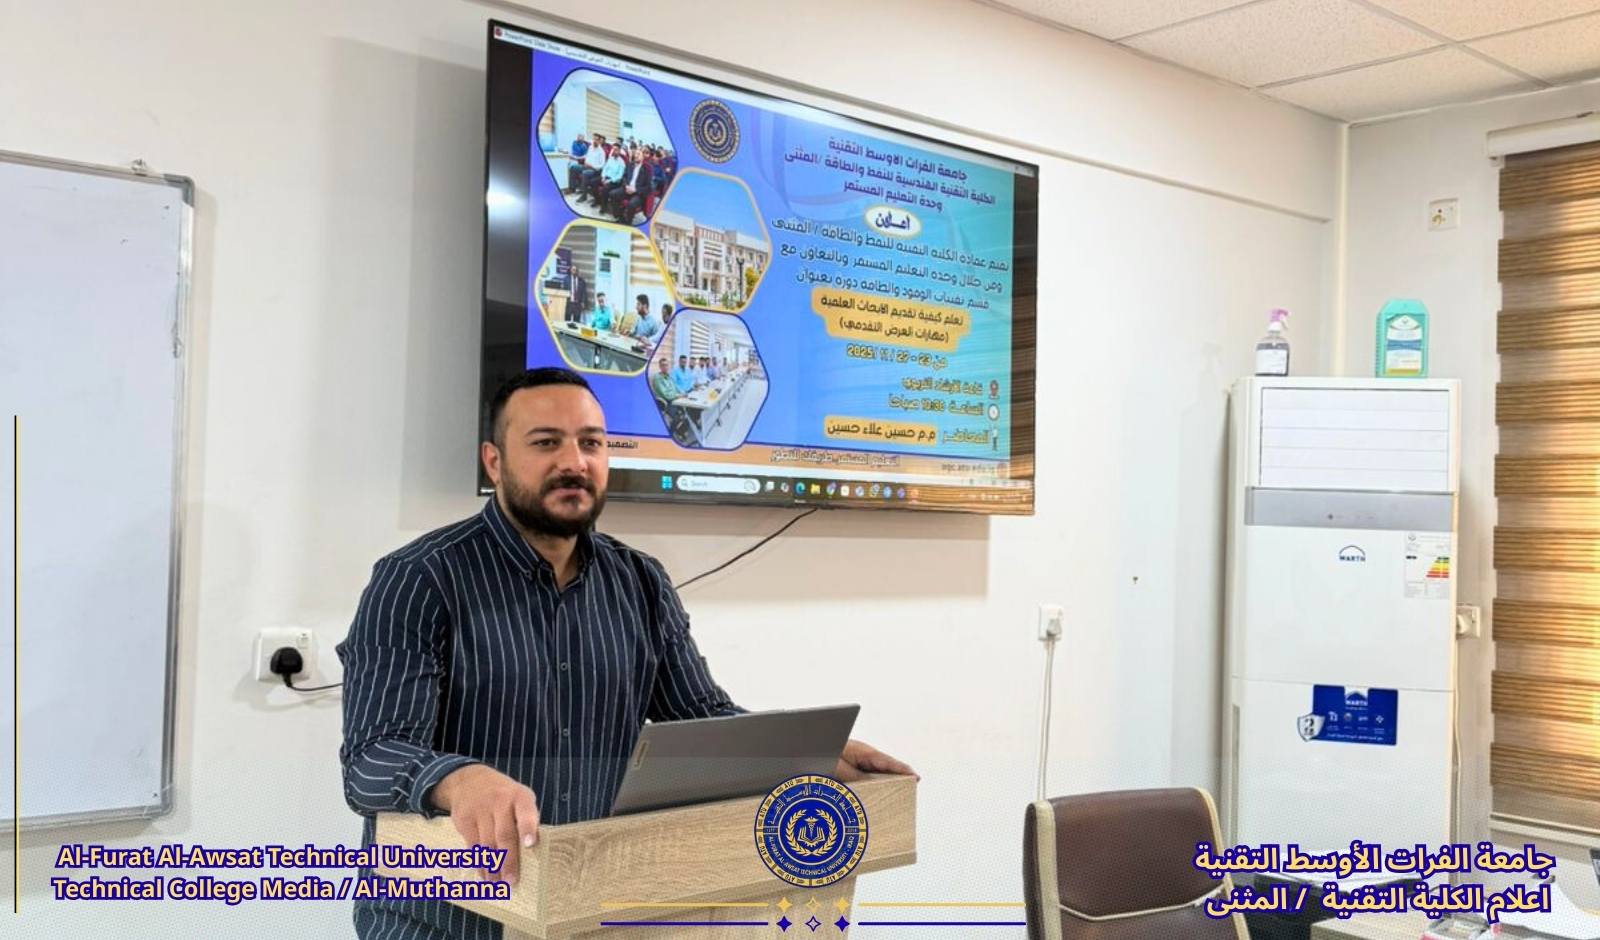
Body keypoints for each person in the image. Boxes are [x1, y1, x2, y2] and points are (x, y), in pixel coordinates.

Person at [337, 368, 914, 940]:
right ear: (494, 461)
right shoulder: (418, 579)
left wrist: (806, 753)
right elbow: (371, 757)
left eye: (591, 443)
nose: (574, 462)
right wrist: (460, 780)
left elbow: (701, 717)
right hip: (445, 922)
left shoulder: (640, 581)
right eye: (546, 443)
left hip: (588, 910)